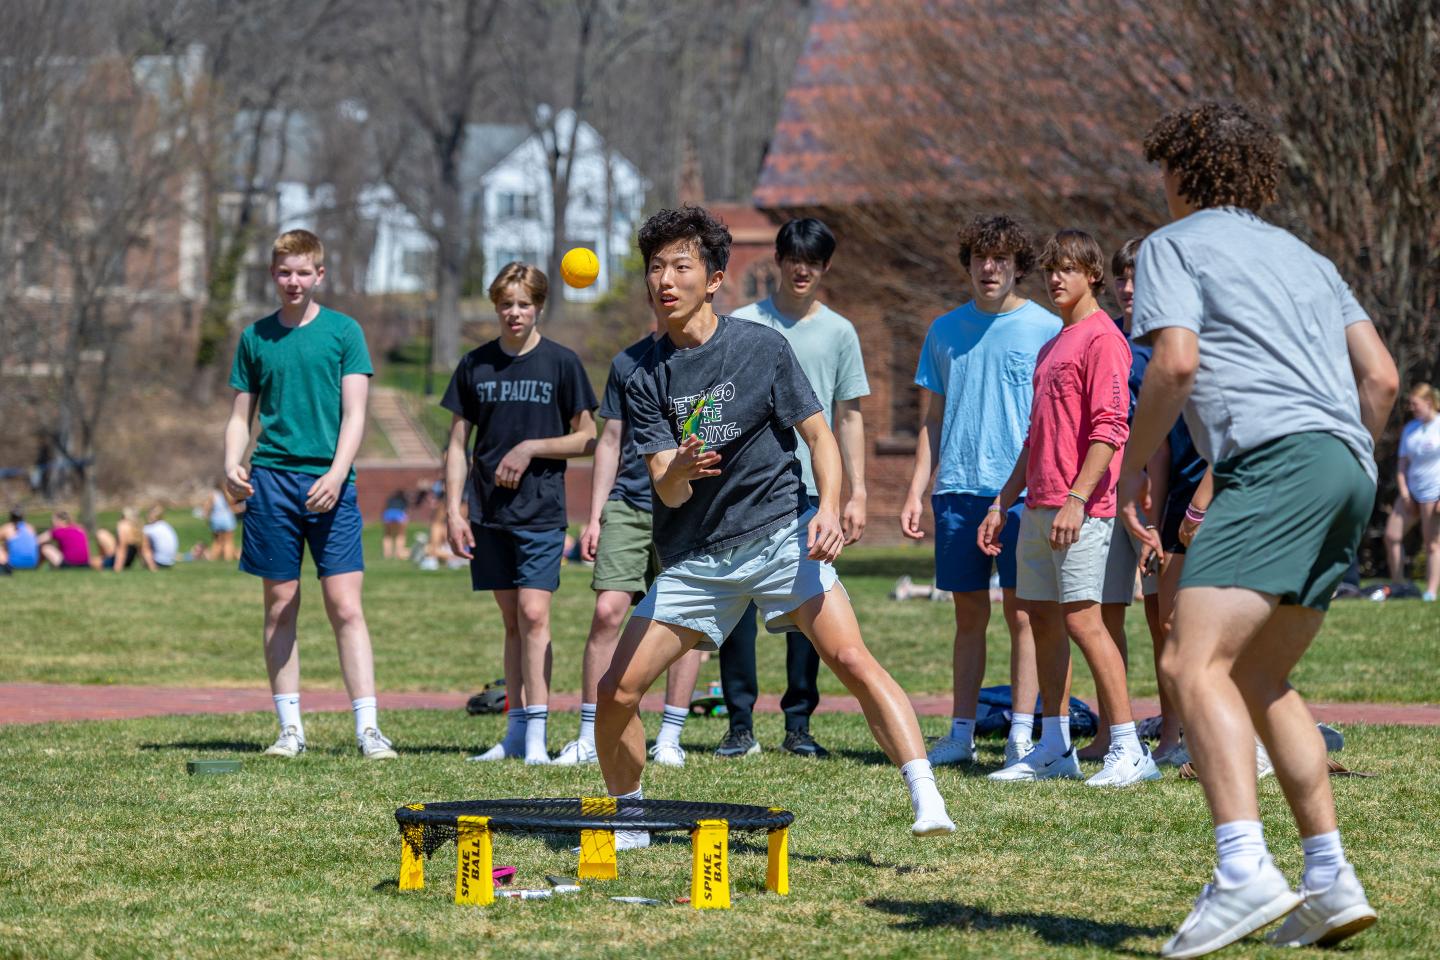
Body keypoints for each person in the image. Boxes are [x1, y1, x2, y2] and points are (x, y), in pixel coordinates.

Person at [1117, 101, 1396, 956]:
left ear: (1182, 175)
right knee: (1260, 677)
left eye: (1164, 173)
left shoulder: (1173, 244)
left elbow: (1176, 363)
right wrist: (1337, 463)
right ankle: (1330, 879)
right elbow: (1380, 379)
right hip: (1349, 464)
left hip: (1273, 463)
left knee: (1187, 660)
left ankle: (1242, 871)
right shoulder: (1308, 257)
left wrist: (1133, 460)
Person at [595, 205, 954, 850]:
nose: (664, 280)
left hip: (778, 534)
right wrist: (678, 464)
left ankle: (926, 793)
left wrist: (828, 506)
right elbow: (666, 485)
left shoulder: (760, 347)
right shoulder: (638, 369)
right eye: (655, 269)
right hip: (697, 555)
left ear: (714, 279)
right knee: (616, 692)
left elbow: (820, 437)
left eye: (681, 266)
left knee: (850, 658)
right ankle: (629, 814)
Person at [979, 229, 1157, 789]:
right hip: (1038, 506)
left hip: (1083, 508)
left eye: (1069, 269)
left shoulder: (1103, 338)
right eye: (1051, 269)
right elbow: (1036, 437)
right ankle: (1053, 747)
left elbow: (1111, 428)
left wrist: (1078, 499)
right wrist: (1002, 500)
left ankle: (1129, 749)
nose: (1057, 278)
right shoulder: (1054, 343)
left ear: (1093, 276)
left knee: (1085, 621)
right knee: (1039, 619)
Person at [224, 228, 397, 760]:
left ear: (319, 274)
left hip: (330, 485)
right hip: (271, 480)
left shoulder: (345, 333)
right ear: (272, 274)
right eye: (284, 272)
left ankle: (369, 730)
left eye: (303, 272)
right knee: (280, 604)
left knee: (345, 606)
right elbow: (239, 416)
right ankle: (289, 730)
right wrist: (230, 461)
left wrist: (336, 472)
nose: (293, 281)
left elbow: (356, 413)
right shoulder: (255, 337)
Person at [901, 214, 1058, 768]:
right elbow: (932, 419)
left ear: (1018, 267)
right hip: (957, 492)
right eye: (979, 259)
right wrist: (917, 489)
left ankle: (1019, 735)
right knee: (969, 618)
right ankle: (961, 733)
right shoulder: (944, 330)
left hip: (1022, 493)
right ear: (967, 265)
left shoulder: (1046, 328)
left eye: (1000, 260)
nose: (988, 268)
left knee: (1023, 615)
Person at [712, 217, 871, 759]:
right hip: (746, 491)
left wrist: (857, 491)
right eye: (794, 258)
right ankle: (739, 725)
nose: (803, 269)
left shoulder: (839, 332)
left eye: (815, 261)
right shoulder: (740, 323)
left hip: (811, 493)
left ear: (825, 267)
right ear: (778, 260)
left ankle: (799, 724)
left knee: (810, 605)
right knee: (737, 607)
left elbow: (847, 416)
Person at [441, 261, 597, 765]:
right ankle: (512, 732)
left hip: (542, 511)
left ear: (539, 307)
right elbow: (456, 443)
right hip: (488, 513)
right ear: (496, 306)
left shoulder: (561, 363)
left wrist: (532, 447)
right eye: (506, 304)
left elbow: (588, 437)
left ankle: (536, 736)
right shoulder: (475, 365)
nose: (514, 313)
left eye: (524, 304)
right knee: (511, 621)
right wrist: (452, 510)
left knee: (534, 614)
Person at [557, 328, 705, 768]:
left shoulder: (709, 356)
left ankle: (671, 737)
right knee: (607, 613)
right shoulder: (628, 361)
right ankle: (589, 735)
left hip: (689, 507)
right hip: (630, 504)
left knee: (689, 619)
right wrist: (596, 514)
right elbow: (608, 441)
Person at [1394, 383, 1440, 601]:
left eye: (1415, 404)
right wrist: (1404, 493)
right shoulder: (1410, 428)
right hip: (1411, 491)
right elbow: (1402, 464)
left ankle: (1430, 591)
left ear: (1429, 402)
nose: (1412, 408)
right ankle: (1397, 585)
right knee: (1391, 536)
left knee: (1431, 543)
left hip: (1434, 491)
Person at [205, 481, 239, 561]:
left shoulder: (213, 495)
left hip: (216, 519)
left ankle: (212, 558)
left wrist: (208, 518)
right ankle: (228, 559)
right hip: (227, 519)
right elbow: (232, 505)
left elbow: (207, 507)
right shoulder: (228, 494)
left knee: (217, 541)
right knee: (228, 541)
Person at [141, 505, 180, 570]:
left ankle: (151, 567)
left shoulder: (150, 528)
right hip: (169, 562)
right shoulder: (165, 525)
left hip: (159, 562)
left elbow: (139, 535)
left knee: (142, 540)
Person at [381, 489, 410, 559]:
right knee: (400, 534)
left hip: (388, 514)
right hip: (399, 514)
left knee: (388, 534)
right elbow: (405, 511)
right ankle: (399, 552)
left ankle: (387, 554)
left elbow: (385, 508)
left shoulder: (390, 499)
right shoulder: (404, 500)